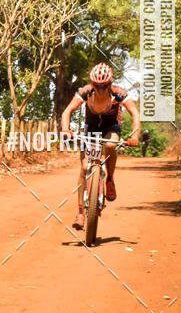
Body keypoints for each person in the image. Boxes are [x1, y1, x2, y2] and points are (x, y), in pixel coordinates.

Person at [60, 63, 141, 230]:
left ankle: (110, 179)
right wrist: (66, 129)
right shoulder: (85, 91)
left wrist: (135, 135)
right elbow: (67, 111)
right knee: (84, 167)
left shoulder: (118, 94)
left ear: (110, 84)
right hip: (90, 129)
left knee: (111, 145)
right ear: (92, 84)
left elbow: (135, 112)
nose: (101, 89)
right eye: (97, 86)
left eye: (104, 86)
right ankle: (81, 212)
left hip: (111, 128)